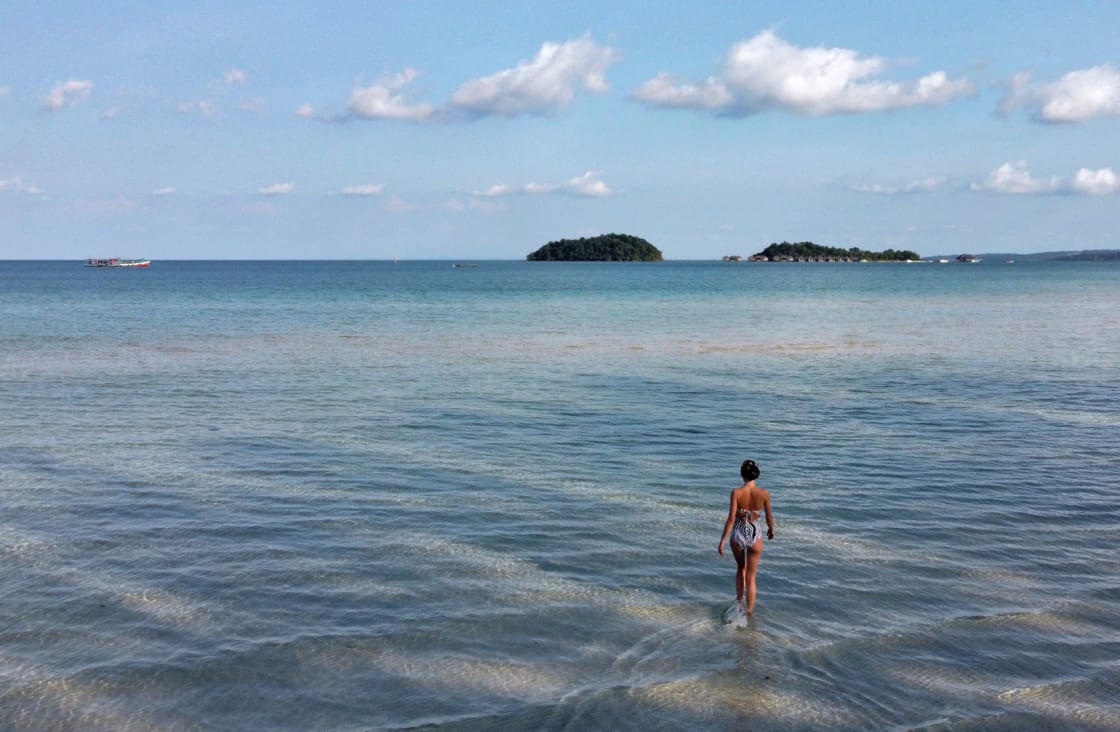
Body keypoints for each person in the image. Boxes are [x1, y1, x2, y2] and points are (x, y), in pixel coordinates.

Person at [717, 459, 775, 618]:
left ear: (742, 474)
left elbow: (730, 519)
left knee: (740, 569)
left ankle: (739, 604)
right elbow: (769, 516)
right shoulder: (764, 493)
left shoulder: (736, 492)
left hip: (738, 532)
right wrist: (771, 529)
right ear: (757, 474)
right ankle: (749, 613)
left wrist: (722, 540)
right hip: (755, 533)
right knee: (751, 576)